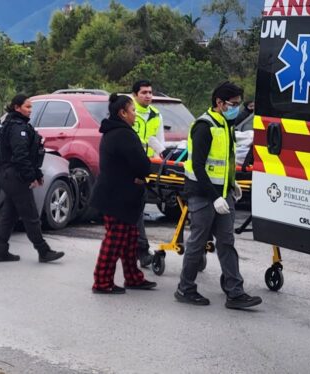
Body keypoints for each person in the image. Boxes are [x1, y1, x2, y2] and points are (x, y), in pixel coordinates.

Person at [175, 81, 262, 310]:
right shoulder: (204, 127)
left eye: (238, 104)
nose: (236, 108)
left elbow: (226, 161)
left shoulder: (227, 124)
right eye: (233, 104)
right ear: (219, 103)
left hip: (223, 194)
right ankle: (185, 288)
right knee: (197, 242)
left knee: (227, 243)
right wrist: (215, 197)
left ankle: (235, 293)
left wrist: (232, 184)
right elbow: (198, 167)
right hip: (203, 196)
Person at [90, 93, 157, 294]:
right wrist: (141, 174)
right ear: (122, 113)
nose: (135, 114)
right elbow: (143, 165)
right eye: (133, 110)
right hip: (117, 196)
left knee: (129, 240)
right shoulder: (124, 134)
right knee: (115, 240)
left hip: (119, 194)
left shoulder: (114, 131)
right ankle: (101, 281)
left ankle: (133, 277)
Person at [0, 94, 64, 263]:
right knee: (31, 215)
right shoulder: (18, 128)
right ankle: (43, 251)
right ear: (17, 108)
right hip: (15, 176)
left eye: (31, 107)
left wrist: (36, 173)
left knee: (8, 215)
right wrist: (31, 176)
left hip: (9, 175)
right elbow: (21, 156)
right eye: (27, 107)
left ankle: (0, 251)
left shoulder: (12, 124)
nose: (30, 110)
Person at [130, 80, 164, 268]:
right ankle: (141, 250)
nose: (148, 96)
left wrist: (164, 156)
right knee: (135, 211)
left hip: (147, 167)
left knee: (136, 211)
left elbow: (157, 141)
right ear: (135, 94)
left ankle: (136, 249)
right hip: (129, 168)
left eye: (150, 92)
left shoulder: (156, 115)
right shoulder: (127, 112)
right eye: (144, 92)